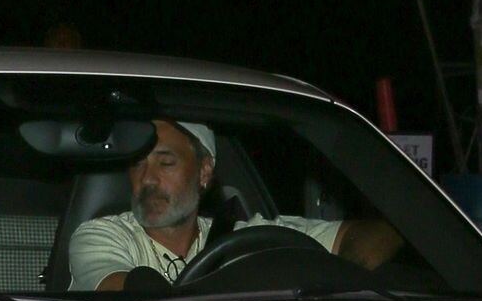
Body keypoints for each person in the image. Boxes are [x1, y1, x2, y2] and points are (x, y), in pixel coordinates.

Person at [67, 119, 403, 291]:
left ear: (204, 172)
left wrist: (341, 279)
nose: (148, 178)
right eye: (137, 164)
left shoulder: (250, 238)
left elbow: (382, 234)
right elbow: (119, 291)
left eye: (165, 162)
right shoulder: (101, 236)